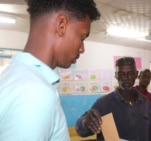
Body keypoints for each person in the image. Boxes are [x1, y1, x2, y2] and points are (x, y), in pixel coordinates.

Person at [0, 0, 100, 141]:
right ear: (61, 25)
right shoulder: (35, 91)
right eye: (82, 37)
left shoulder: (15, 74)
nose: (82, 48)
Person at [75, 56, 151, 141]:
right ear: (116, 76)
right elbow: (80, 129)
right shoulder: (104, 103)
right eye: (121, 74)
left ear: (136, 75)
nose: (125, 78)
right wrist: (86, 123)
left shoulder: (144, 102)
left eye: (130, 73)